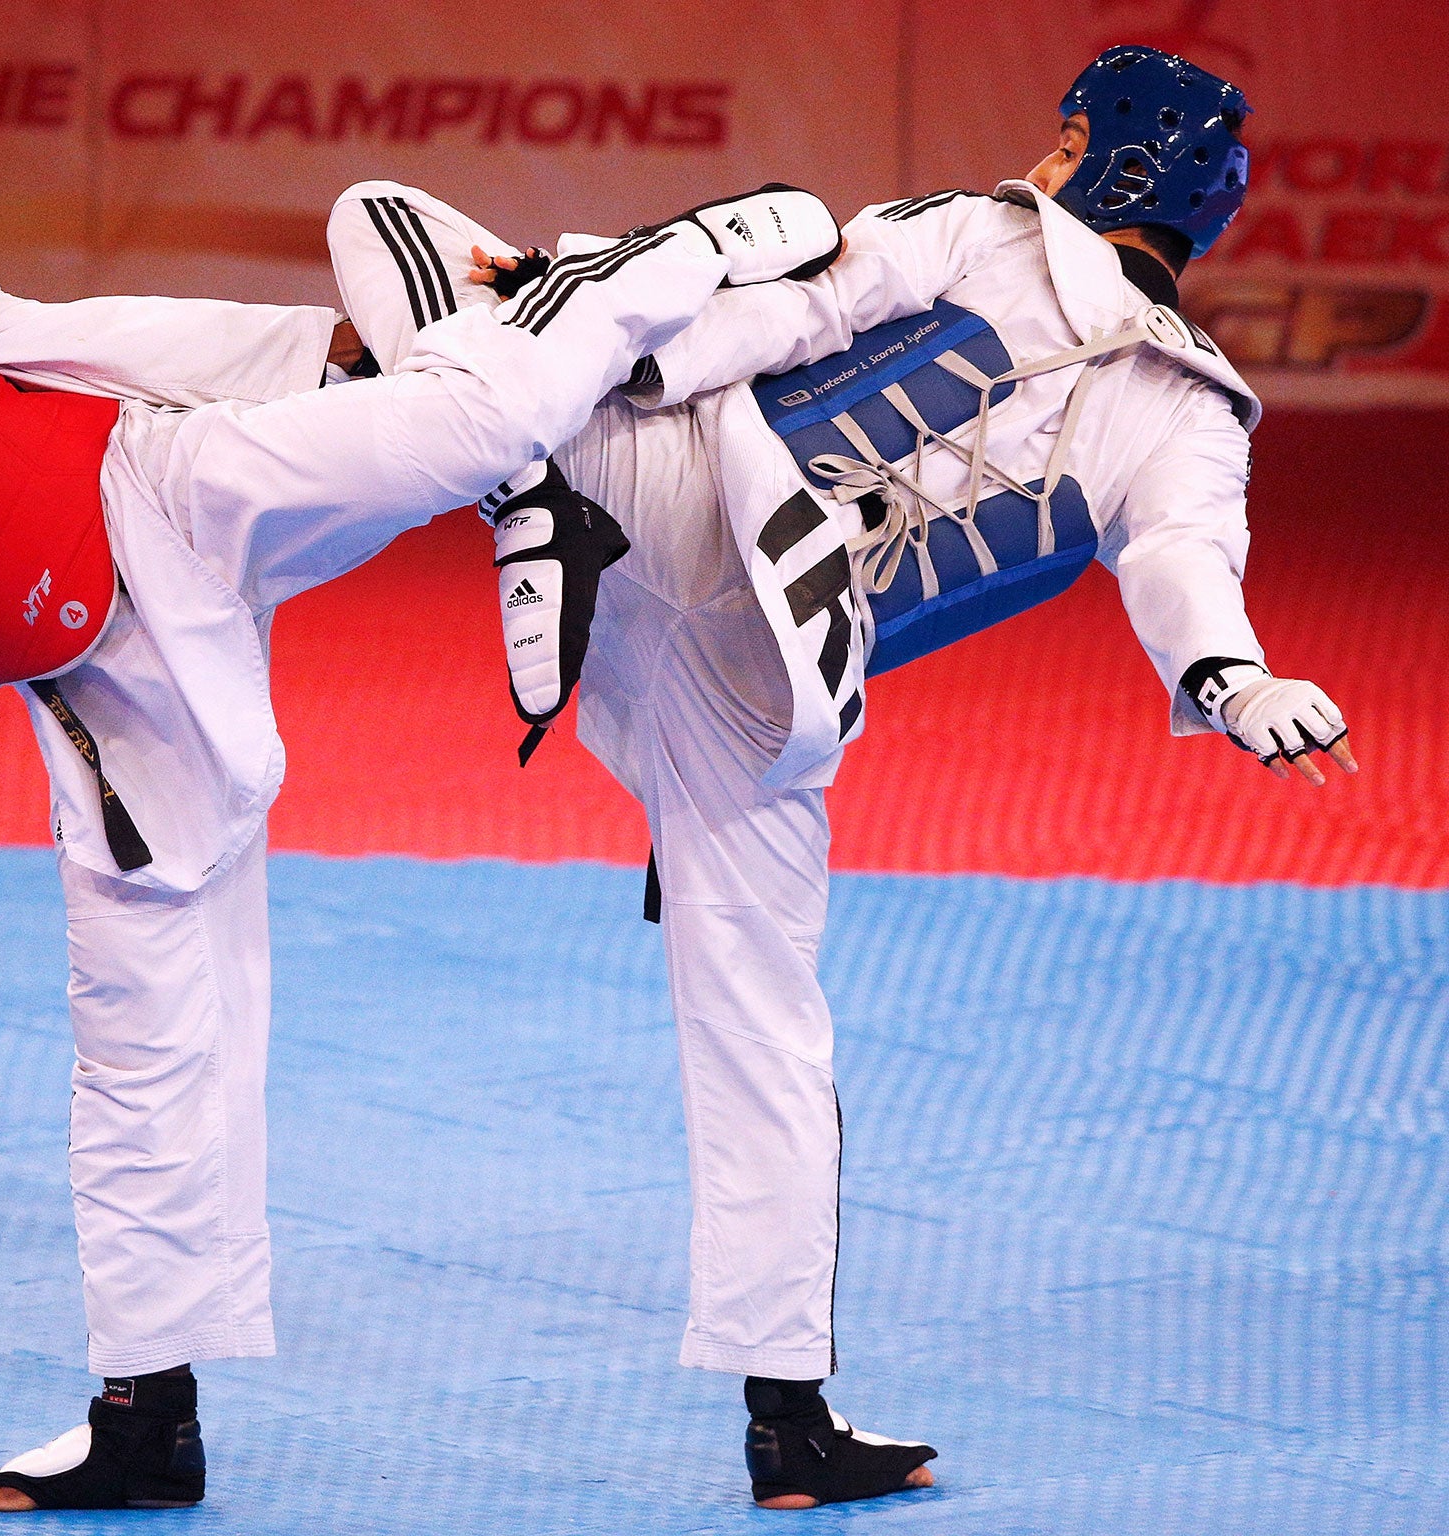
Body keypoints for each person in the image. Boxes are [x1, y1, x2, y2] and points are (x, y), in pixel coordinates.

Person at [0, 157, 843, 1511]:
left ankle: (668, 271)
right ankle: (144, 1419)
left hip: (167, 481)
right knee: (138, 1026)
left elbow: (77, 341)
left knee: (468, 421)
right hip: (105, 676)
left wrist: (316, 358)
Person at [325, 45, 1354, 1511]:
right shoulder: (1197, 416)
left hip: (674, 487)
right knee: (771, 1040)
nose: (1046, 149)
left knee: (398, 226)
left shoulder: (984, 227)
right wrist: (1230, 679)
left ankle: (510, 457)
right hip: (784, 681)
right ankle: (787, 1423)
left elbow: (803, 303)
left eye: (1068, 130)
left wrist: (580, 331)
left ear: (1099, 152)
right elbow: (1184, 563)